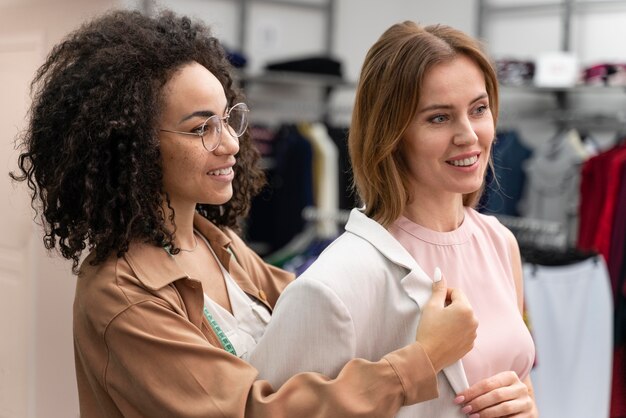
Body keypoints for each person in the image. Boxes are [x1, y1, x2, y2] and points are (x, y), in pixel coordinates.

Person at [11, 10, 479, 417]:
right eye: (201, 129)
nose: (231, 143)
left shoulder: (220, 245)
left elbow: (327, 314)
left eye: (228, 119)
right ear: (131, 146)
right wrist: (425, 356)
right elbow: (253, 411)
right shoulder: (123, 295)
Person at [249, 21, 538, 417]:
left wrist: (527, 403)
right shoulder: (335, 283)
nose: (469, 134)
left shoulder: (500, 243)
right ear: (391, 134)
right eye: (439, 118)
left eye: (479, 109)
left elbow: (519, 379)